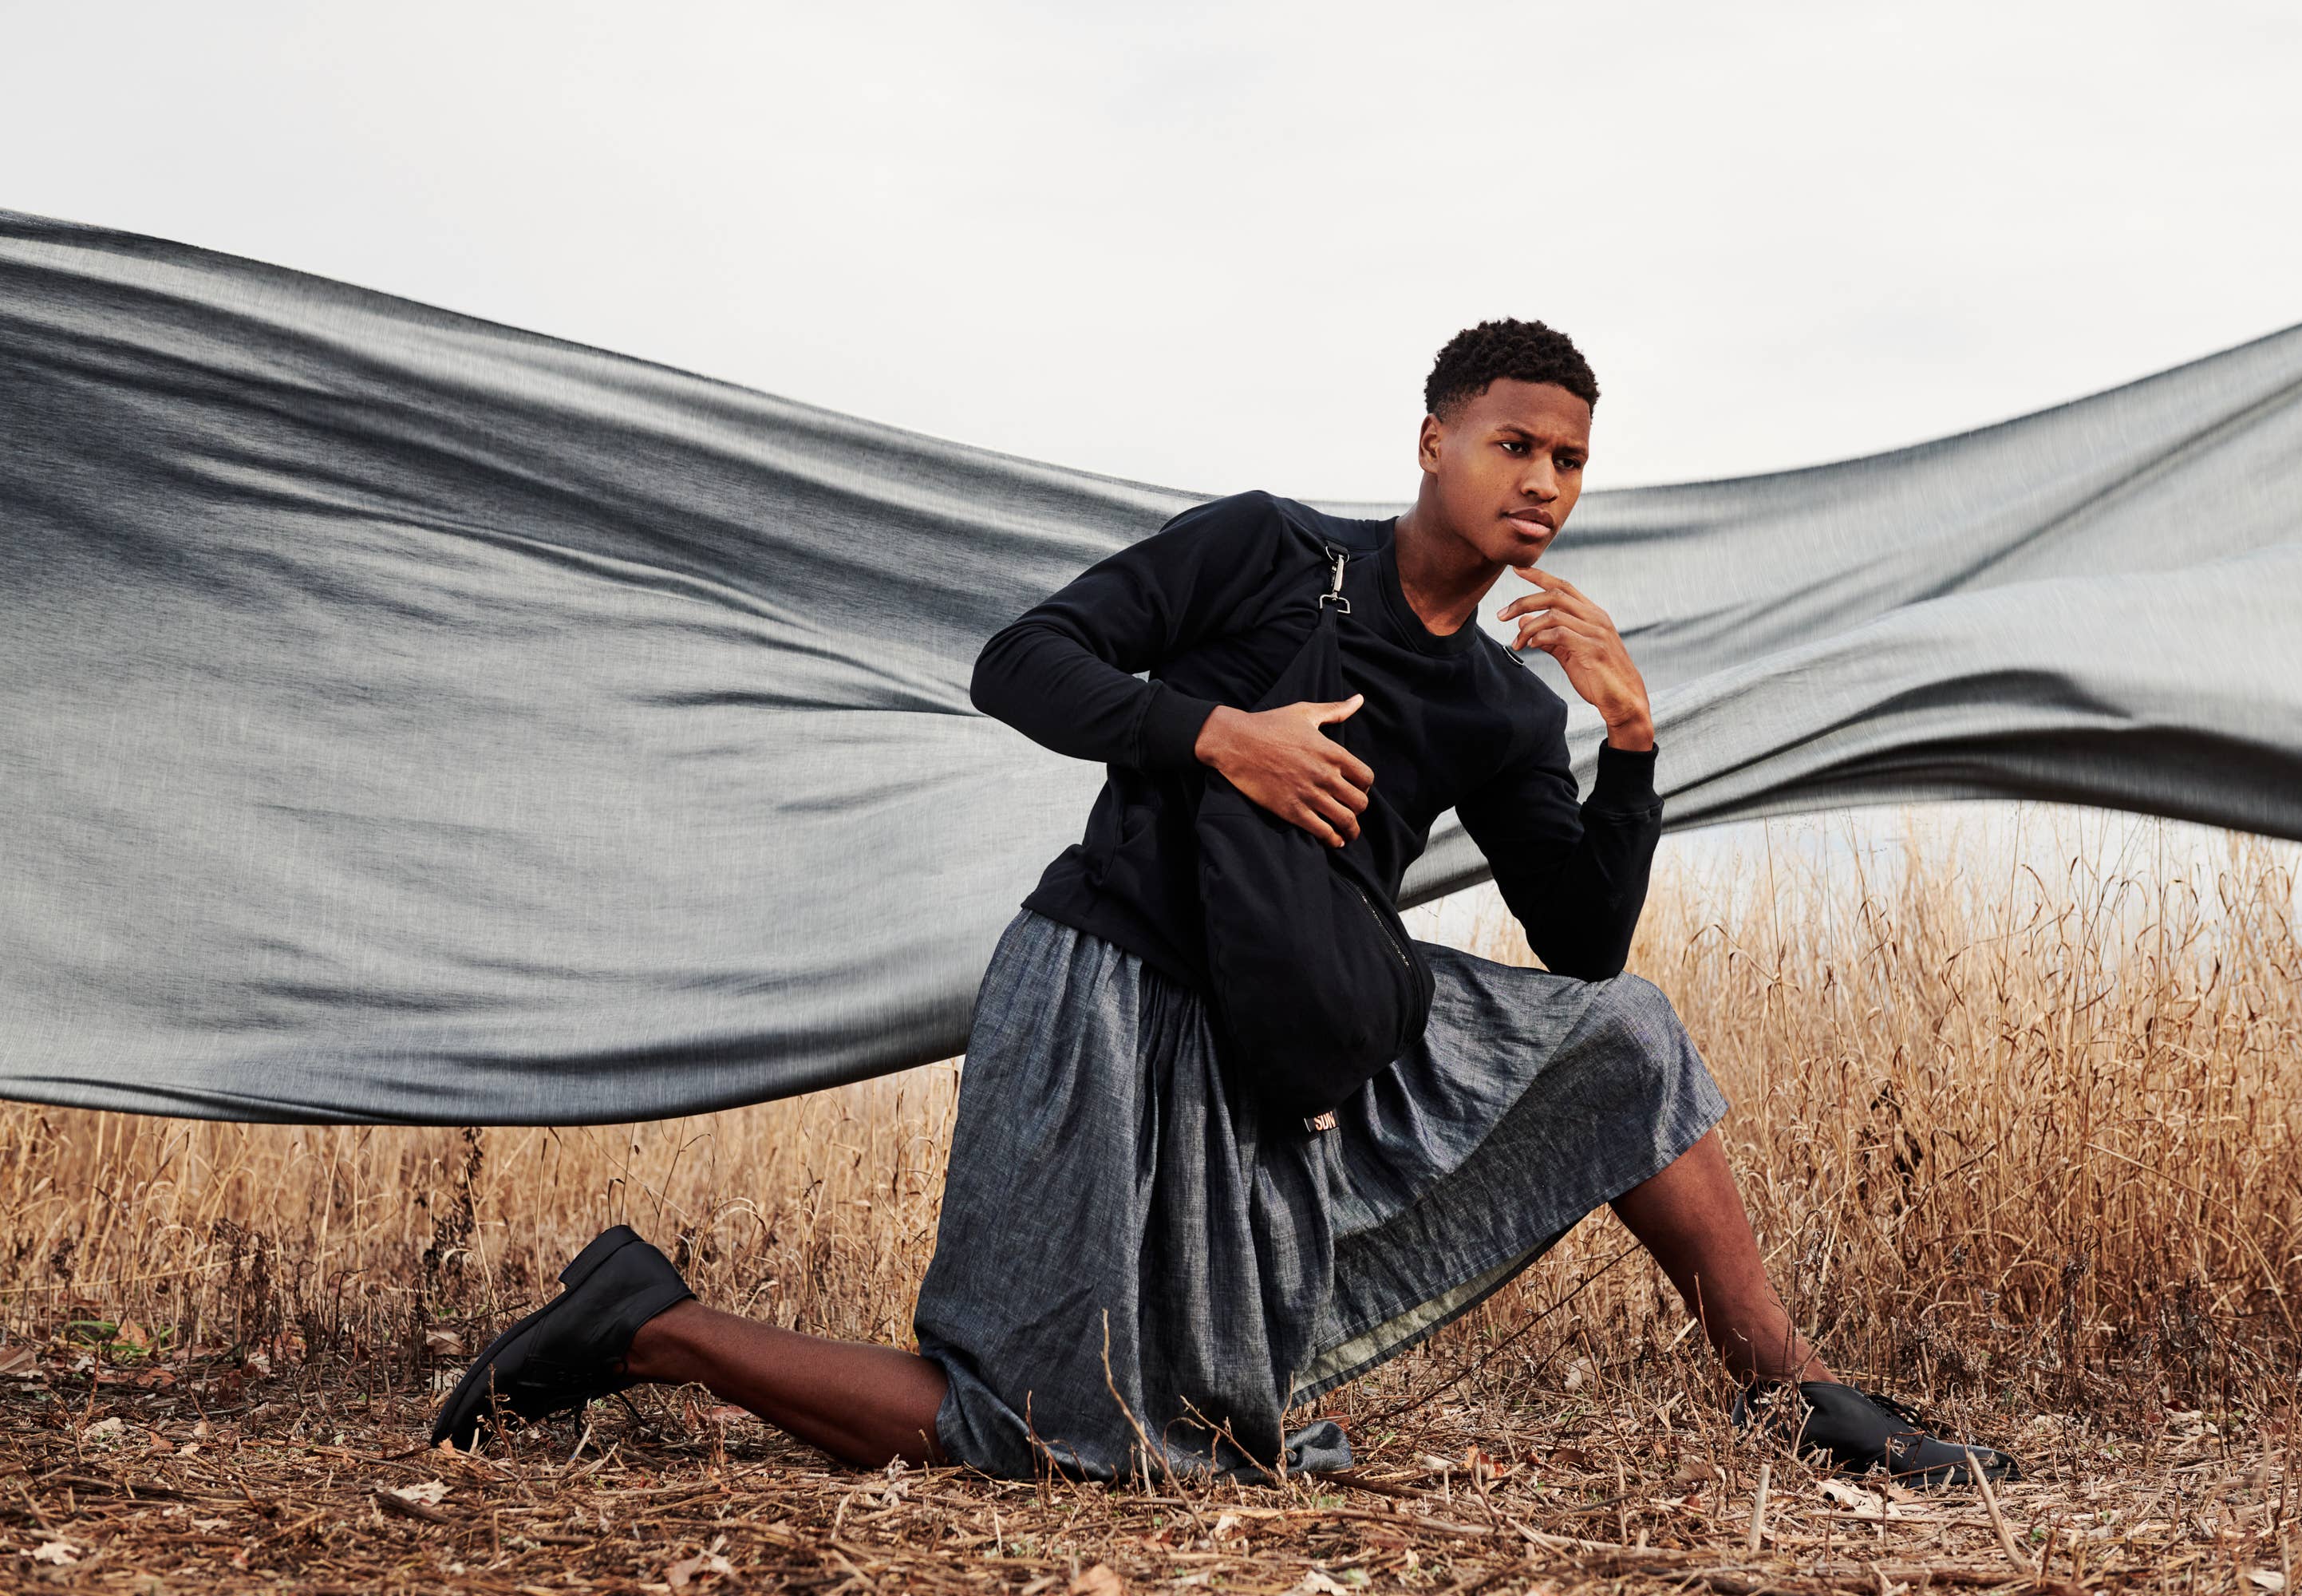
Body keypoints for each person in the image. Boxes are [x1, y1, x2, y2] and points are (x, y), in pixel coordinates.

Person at [430, 320, 2019, 1487]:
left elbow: (1583, 938)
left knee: (1627, 1033)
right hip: (1108, 992)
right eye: (1514, 444)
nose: (1543, 482)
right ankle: (653, 1326)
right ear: (1433, 443)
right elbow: (1021, 661)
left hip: (1289, 1029)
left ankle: (1788, 1387)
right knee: (1048, 1434)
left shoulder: (1497, 703)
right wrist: (1216, 736)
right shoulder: (1268, 553)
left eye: (1570, 461)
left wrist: (1633, 743)